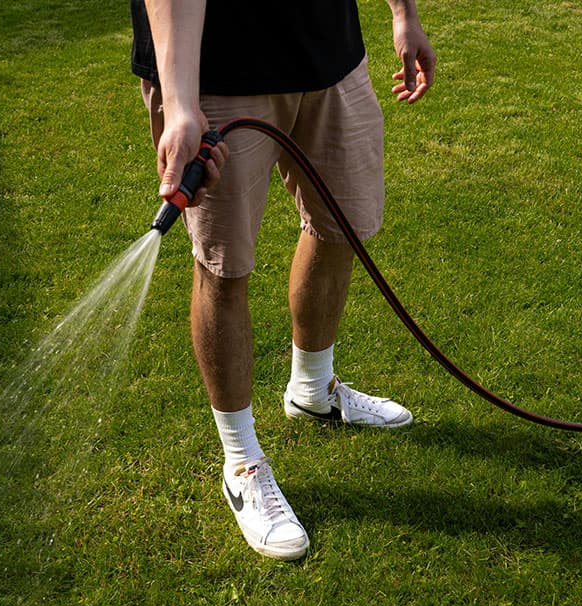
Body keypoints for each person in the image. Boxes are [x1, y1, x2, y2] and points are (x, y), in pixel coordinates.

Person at [130, 1, 435, 560]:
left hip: (329, 52)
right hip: (215, 72)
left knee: (344, 224)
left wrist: (404, 13)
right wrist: (179, 104)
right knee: (225, 266)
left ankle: (314, 390)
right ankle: (241, 459)